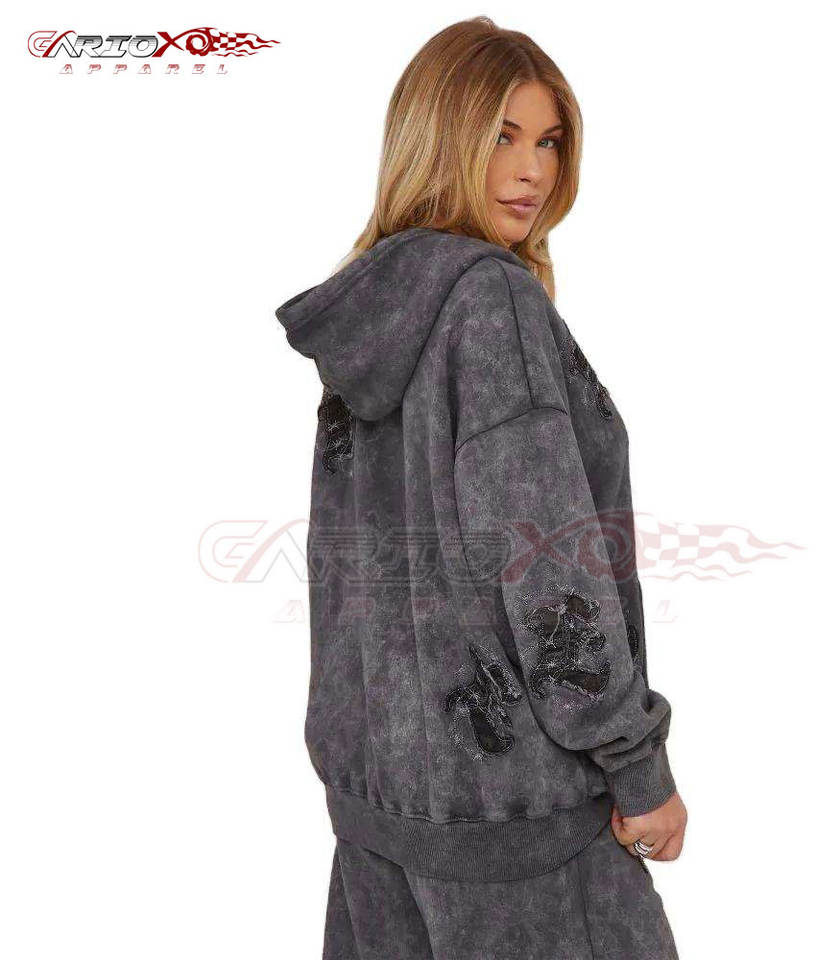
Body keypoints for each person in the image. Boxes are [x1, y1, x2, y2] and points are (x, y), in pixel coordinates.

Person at [275, 16, 687, 959]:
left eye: (549, 141)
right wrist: (637, 767)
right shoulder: (491, 301)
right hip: (517, 821)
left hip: (379, 808)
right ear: (439, 136)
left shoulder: (374, 312)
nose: (532, 171)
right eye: (501, 136)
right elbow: (549, 571)